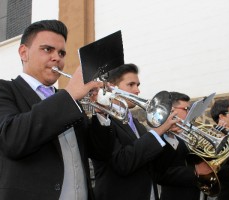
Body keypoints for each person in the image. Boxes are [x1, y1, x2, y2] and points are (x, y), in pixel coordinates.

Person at [0, 19, 102, 200]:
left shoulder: (67, 99)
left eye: (62, 53)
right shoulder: (6, 90)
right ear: (24, 52)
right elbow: (12, 139)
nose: (57, 58)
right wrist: (70, 95)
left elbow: (99, 152)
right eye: (47, 49)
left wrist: (100, 113)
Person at [89, 64, 180, 200]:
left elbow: (156, 169)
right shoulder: (104, 122)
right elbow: (122, 163)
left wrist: (169, 135)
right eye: (131, 85)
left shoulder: (139, 125)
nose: (137, 90)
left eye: (137, 85)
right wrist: (158, 131)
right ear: (111, 87)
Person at [152, 92, 212, 200]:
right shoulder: (159, 136)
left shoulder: (190, 133)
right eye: (186, 109)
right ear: (171, 110)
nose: (190, 112)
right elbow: (160, 175)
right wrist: (194, 171)